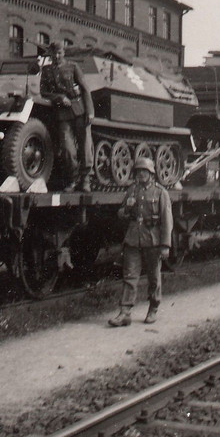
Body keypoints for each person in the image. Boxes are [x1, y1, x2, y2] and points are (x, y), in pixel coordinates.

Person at [108, 157, 173, 326]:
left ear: (152, 173)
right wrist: (127, 208)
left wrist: (165, 245)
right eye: (138, 171)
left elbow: (167, 220)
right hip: (133, 239)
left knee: (154, 277)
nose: (141, 174)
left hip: (153, 240)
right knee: (129, 276)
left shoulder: (160, 193)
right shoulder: (132, 190)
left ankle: (153, 308)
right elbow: (120, 214)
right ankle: (125, 313)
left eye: (145, 171)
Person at [40, 40, 94, 192]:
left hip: (79, 110)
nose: (57, 56)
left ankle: (86, 180)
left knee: (85, 145)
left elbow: (85, 89)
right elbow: (43, 92)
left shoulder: (73, 67)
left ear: (63, 53)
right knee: (67, 148)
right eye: (54, 54)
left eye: (59, 53)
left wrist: (90, 111)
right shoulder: (46, 70)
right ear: (50, 54)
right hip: (62, 114)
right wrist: (59, 97)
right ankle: (73, 179)